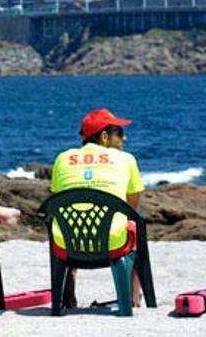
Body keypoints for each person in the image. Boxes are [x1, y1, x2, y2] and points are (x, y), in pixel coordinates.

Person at [50, 108, 145, 308]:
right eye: (119, 132)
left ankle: (67, 296)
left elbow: (57, 202)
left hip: (68, 245)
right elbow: (132, 209)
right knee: (135, 225)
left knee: (66, 225)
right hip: (112, 245)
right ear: (104, 136)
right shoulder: (126, 159)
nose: (124, 139)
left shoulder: (62, 159)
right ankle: (132, 298)